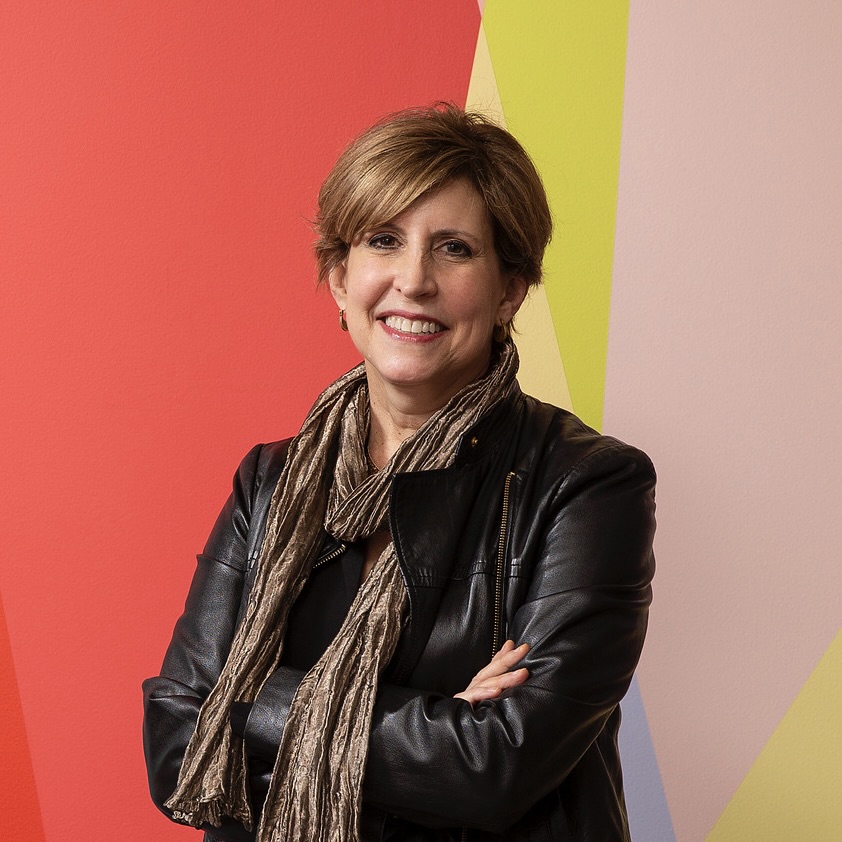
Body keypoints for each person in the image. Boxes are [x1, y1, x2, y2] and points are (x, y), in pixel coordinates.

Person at [142, 104, 656, 842]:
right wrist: (436, 720)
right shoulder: (270, 481)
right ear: (339, 278)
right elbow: (176, 747)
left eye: (454, 249)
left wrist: (247, 697)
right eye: (384, 241)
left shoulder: (587, 485)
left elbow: (499, 767)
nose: (413, 280)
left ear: (510, 289)